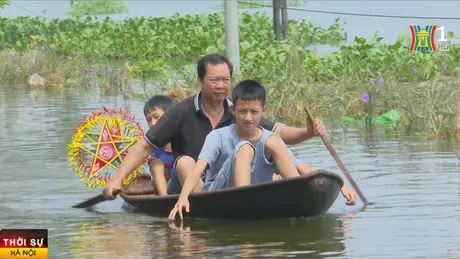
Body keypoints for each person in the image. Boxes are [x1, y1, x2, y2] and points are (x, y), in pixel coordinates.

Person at [104, 53, 327, 200]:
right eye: (214, 80)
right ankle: (210, 204)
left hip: (225, 185)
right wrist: (117, 181)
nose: (221, 86)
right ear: (200, 80)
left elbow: (277, 132)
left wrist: (308, 132)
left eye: (225, 80)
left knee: (270, 166)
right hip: (187, 186)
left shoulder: (238, 110)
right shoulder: (181, 111)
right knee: (185, 162)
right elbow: (145, 146)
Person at [167, 80, 356, 220]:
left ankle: (296, 196)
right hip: (221, 193)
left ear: (263, 111)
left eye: (254, 112)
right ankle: (244, 201)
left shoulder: (268, 138)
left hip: (257, 191)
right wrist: (183, 198)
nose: (248, 118)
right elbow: (199, 168)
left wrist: (340, 185)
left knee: (274, 141)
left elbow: (299, 167)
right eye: (242, 111)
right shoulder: (219, 136)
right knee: (244, 148)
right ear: (233, 111)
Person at [143, 95, 176, 196]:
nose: (153, 123)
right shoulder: (152, 149)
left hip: (182, 184)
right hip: (165, 190)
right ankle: (165, 200)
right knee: (156, 164)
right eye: (149, 120)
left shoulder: (186, 141)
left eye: (157, 117)